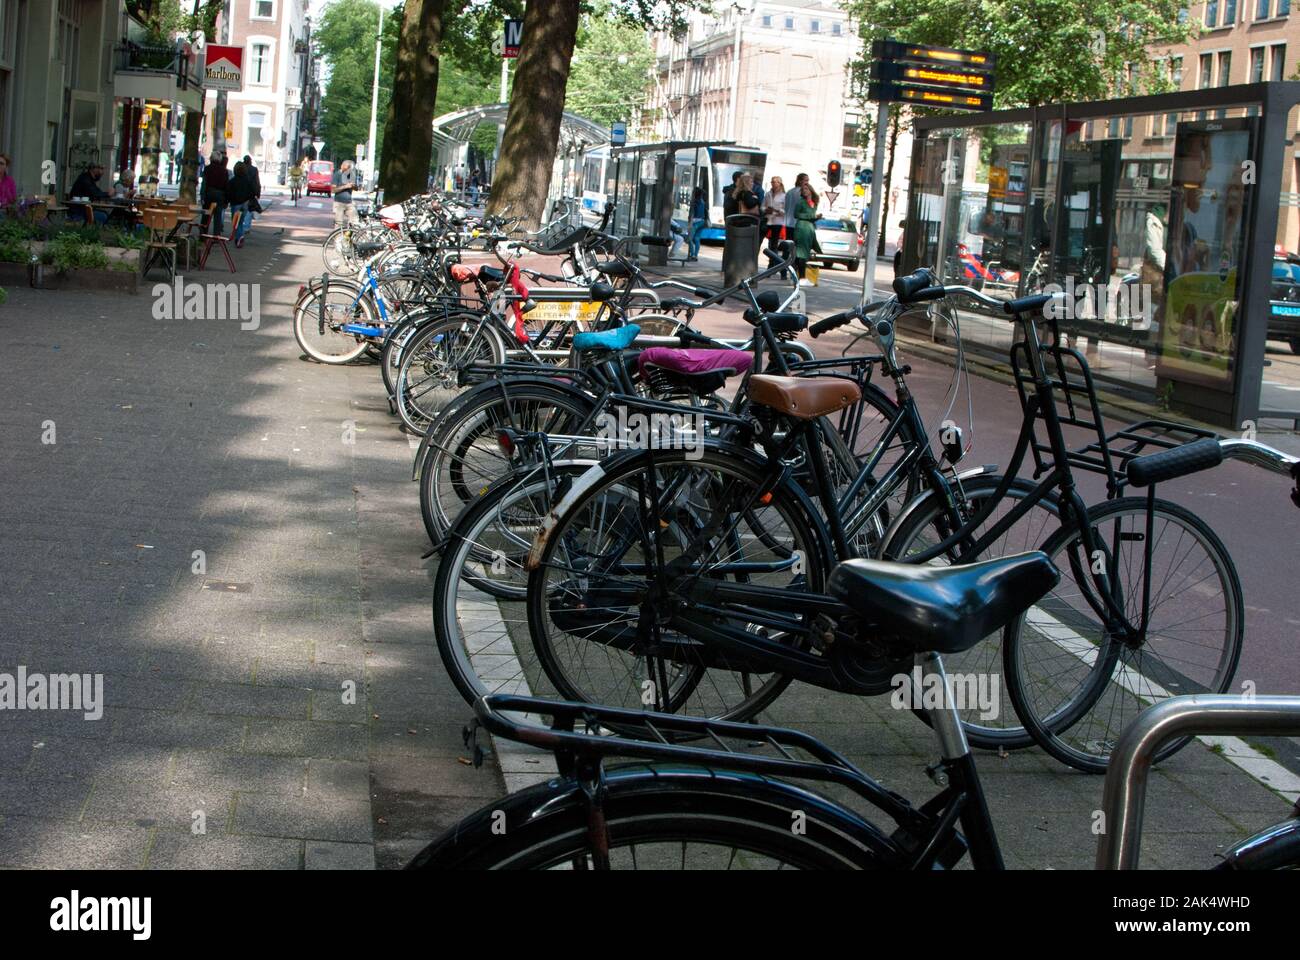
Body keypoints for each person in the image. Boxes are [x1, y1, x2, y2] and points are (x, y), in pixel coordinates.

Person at [792, 181, 820, 285]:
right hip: (801, 229)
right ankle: (801, 278)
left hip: (809, 229)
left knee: (803, 254)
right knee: (801, 254)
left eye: (806, 189)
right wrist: (811, 217)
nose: (804, 191)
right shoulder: (800, 202)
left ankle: (796, 276)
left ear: (811, 190)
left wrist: (816, 218)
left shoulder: (814, 202)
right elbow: (796, 214)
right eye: (803, 189)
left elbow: (812, 217)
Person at [226, 160, 254, 247]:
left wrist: (228, 201)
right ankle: (240, 236)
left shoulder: (232, 181)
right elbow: (251, 192)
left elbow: (229, 193)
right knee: (241, 221)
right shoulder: (248, 180)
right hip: (245, 203)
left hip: (236, 204)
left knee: (235, 222)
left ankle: (239, 237)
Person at [200, 152, 229, 236]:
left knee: (206, 215)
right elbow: (226, 186)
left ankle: (203, 234)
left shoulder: (207, 169)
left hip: (209, 193)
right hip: (220, 194)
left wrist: (202, 196)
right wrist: (226, 200)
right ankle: (216, 235)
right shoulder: (224, 171)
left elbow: (204, 184)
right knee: (218, 216)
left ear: (211, 158)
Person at [762, 176, 786, 251]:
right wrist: (765, 210)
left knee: (774, 242)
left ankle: (773, 261)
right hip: (767, 219)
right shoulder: (768, 194)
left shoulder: (784, 196)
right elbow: (762, 206)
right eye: (772, 182)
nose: (772, 183)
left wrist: (776, 210)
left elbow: (786, 211)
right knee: (761, 238)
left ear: (779, 183)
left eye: (774, 182)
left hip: (777, 221)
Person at [332, 159, 358, 227]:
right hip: (339, 202)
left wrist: (353, 186)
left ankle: (350, 235)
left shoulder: (351, 175)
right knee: (339, 223)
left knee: (354, 221)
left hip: (349, 202)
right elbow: (333, 190)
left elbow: (356, 188)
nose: (346, 171)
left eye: (348, 169)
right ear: (342, 166)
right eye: (345, 169)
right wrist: (345, 186)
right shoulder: (337, 174)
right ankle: (338, 237)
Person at [687, 187, 707, 261]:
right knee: (697, 239)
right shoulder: (702, 201)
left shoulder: (694, 202)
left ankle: (692, 254)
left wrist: (689, 224)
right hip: (702, 222)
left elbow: (691, 214)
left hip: (695, 223)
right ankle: (695, 255)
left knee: (690, 239)